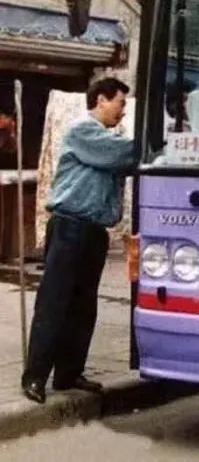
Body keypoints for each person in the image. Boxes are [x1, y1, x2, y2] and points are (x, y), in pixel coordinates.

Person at [21, 78, 135, 404]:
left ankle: (69, 373)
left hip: (94, 230)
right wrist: (156, 138)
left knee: (83, 306)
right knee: (55, 302)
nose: (122, 111)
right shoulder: (83, 131)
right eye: (120, 103)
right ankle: (35, 376)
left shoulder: (108, 137)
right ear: (101, 100)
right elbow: (123, 155)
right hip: (70, 225)